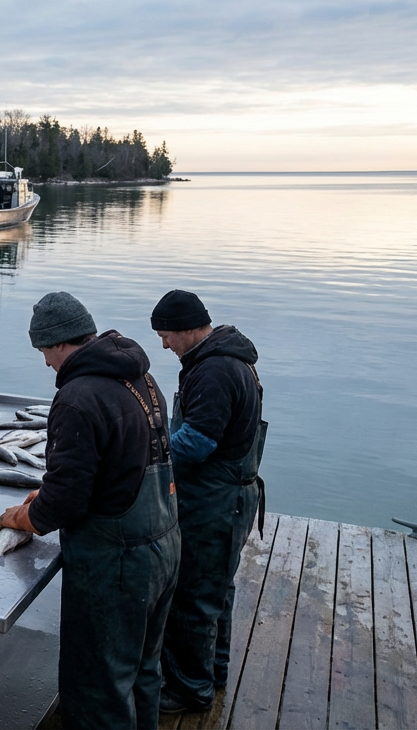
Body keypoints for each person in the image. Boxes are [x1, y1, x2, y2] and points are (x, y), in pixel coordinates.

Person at [0, 292, 179, 729]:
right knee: (143, 671)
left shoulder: (79, 396)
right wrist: (47, 491)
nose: (45, 364)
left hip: (117, 566)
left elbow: (64, 503)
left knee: (101, 686)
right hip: (165, 544)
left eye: (44, 352)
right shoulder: (141, 378)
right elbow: (116, 465)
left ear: (60, 343)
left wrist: (19, 517)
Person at [150, 290, 266, 714]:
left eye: (166, 336)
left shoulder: (214, 370)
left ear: (188, 329)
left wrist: (151, 455)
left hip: (216, 501)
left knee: (193, 595)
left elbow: (197, 443)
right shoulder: (226, 356)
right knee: (217, 589)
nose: (163, 345)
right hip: (232, 493)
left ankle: (188, 691)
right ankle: (214, 671)